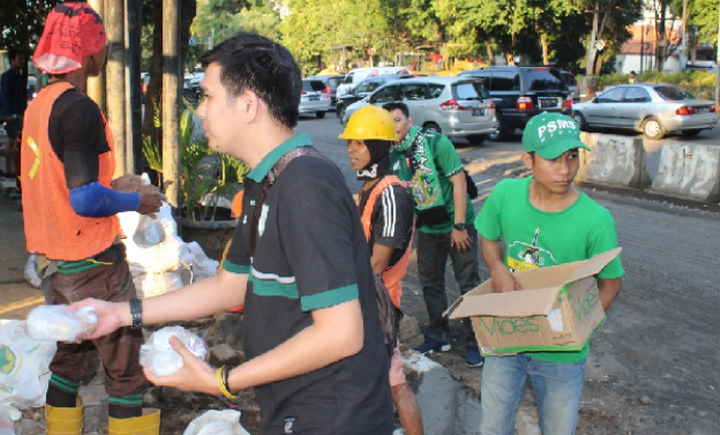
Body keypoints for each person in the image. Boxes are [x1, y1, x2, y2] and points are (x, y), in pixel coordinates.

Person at [70, 33, 393, 435]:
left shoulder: (305, 186)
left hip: (333, 416)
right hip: (293, 406)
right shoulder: (267, 182)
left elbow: (342, 334)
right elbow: (230, 287)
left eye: (207, 96)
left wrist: (221, 382)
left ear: (247, 105)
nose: (201, 112)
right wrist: (119, 314)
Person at [20, 2, 165, 435]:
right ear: (90, 51)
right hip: (92, 263)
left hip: (55, 262)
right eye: (101, 46)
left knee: (72, 355)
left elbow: (59, 180)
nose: (104, 55)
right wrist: (136, 201)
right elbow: (83, 200)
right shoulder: (79, 109)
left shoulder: (40, 104)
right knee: (123, 367)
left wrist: (114, 184)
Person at [475, 112, 624, 435]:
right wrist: (498, 267)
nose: (566, 169)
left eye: (572, 157)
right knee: (491, 427)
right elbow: (488, 237)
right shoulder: (505, 194)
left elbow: (611, 282)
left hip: (561, 355)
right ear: (528, 159)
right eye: (553, 159)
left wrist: (580, 328)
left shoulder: (595, 220)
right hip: (507, 339)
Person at [340, 105, 423, 435]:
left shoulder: (390, 194)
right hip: (365, 299)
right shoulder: (369, 188)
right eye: (350, 143)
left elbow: (376, 262)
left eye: (360, 144)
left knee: (394, 383)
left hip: (379, 304)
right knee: (381, 382)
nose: (351, 151)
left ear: (378, 147)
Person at [384, 101, 484, 368]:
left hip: (457, 224)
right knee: (430, 282)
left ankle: (475, 340)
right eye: (388, 122)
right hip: (428, 225)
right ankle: (440, 334)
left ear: (408, 120)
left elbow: (459, 180)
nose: (393, 127)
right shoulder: (389, 152)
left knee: (468, 283)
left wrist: (460, 226)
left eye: (397, 120)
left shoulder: (435, 143)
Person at [0, 49, 27, 180]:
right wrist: (8, 113)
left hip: (19, 112)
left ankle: (15, 168)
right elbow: (5, 95)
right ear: (12, 60)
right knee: (11, 140)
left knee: (16, 141)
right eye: (19, 58)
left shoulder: (19, 76)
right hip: (12, 114)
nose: (21, 61)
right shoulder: (7, 76)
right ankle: (10, 168)